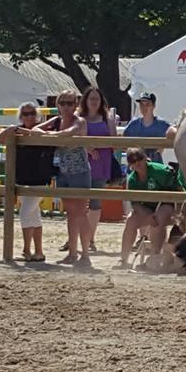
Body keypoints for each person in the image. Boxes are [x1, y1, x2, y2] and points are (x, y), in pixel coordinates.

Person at [30, 90, 92, 266]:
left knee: (81, 213)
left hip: (79, 171)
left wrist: (49, 135)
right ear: (57, 104)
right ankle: (72, 253)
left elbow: (71, 133)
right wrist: (48, 133)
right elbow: (35, 129)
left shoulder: (79, 121)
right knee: (71, 214)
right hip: (62, 171)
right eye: (62, 103)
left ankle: (85, 254)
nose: (66, 107)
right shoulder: (56, 120)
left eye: (70, 103)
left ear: (75, 105)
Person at [0, 102, 55, 262]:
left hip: (39, 179)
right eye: (25, 114)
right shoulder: (16, 131)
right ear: (21, 116)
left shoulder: (43, 129)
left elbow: (39, 135)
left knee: (25, 213)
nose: (29, 117)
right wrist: (9, 129)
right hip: (21, 179)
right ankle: (38, 252)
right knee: (33, 215)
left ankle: (26, 250)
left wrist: (17, 130)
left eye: (32, 114)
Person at [118, 148, 183, 268]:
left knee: (158, 219)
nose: (137, 163)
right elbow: (136, 204)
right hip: (147, 208)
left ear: (145, 159)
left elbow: (178, 187)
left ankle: (154, 257)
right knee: (131, 220)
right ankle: (124, 259)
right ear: (130, 164)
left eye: (139, 159)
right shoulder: (132, 180)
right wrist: (147, 216)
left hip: (167, 205)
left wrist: (179, 210)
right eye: (132, 161)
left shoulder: (161, 171)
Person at [79, 86, 117, 251]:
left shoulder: (107, 119)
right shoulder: (78, 118)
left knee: (95, 202)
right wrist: (88, 148)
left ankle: (90, 239)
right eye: (91, 98)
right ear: (85, 101)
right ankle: (76, 237)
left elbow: (114, 142)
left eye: (97, 99)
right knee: (78, 203)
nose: (94, 102)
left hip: (101, 163)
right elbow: (74, 138)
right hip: (81, 163)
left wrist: (96, 146)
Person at [123, 92, 169, 163]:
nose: (144, 107)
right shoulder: (133, 124)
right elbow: (123, 142)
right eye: (141, 104)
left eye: (147, 104)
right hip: (136, 164)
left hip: (155, 166)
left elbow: (173, 135)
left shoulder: (162, 124)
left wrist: (161, 147)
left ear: (154, 106)